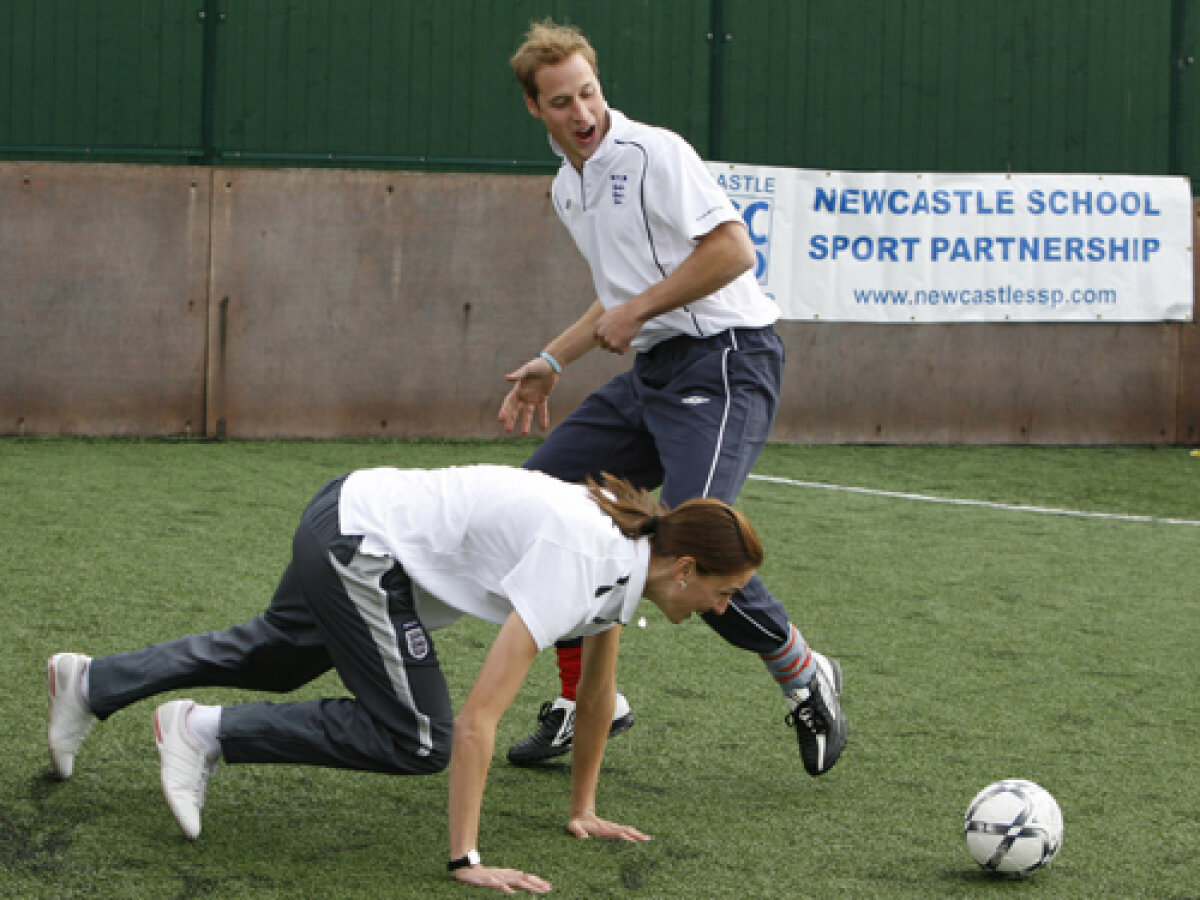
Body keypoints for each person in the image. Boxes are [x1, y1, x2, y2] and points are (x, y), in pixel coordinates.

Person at [45, 464, 763, 894]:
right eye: (724, 593)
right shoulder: (586, 559)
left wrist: (582, 808)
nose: (719, 609)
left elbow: (596, 695)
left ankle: (92, 684)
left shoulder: (627, 558)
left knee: (280, 656)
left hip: (350, 512)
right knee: (419, 737)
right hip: (364, 543)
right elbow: (478, 720)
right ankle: (202, 731)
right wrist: (466, 859)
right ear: (686, 569)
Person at [498, 20, 847, 776]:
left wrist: (636, 312)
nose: (582, 113)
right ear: (535, 108)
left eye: (588, 93)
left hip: (725, 364)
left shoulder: (655, 153)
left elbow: (732, 251)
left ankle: (802, 670)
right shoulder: (569, 186)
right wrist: (555, 358)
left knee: (693, 544)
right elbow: (616, 302)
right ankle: (588, 701)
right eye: (561, 102)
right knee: (536, 504)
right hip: (655, 375)